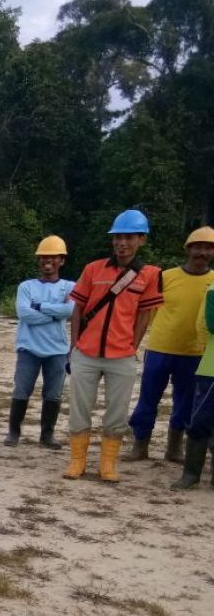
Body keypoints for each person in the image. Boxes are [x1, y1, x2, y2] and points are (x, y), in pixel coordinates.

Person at [63, 209, 163, 482]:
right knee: (80, 408)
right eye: (118, 237)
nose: (122, 243)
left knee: (117, 412)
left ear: (141, 239)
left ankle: (108, 464)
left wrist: (133, 344)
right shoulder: (93, 269)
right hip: (86, 351)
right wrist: (74, 345)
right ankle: (77, 461)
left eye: (129, 237)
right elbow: (78, 308)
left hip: (122, 354)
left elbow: (145, 314)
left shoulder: (150, 275)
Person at [127, 226, 214, 462]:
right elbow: (149, 309)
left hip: (195, 352)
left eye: (208, 248)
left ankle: (174, 448)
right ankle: (140, 444)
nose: (202, 252)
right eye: (197, 247)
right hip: (160, 348)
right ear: (188, 249)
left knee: (185, 403)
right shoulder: (165, 277)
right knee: (148, 398)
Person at [3, 236, 75, 449]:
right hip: (28, 349)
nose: (47, 261)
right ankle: (13, 433)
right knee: (21, 390)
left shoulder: (70, 286)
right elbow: (24, 314)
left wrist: (40, 306)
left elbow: (72, 310)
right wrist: (56, 313)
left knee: (53, 394)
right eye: (44, 257)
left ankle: (47, 435)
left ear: (62, 260)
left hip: (57, 350)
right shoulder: (26, 286)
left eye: (53, 257)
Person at [172, 254, 214, 490]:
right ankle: (191, 473)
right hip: (211, 368)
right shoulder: (213, 290)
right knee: (200, 420)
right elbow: (211, 324)